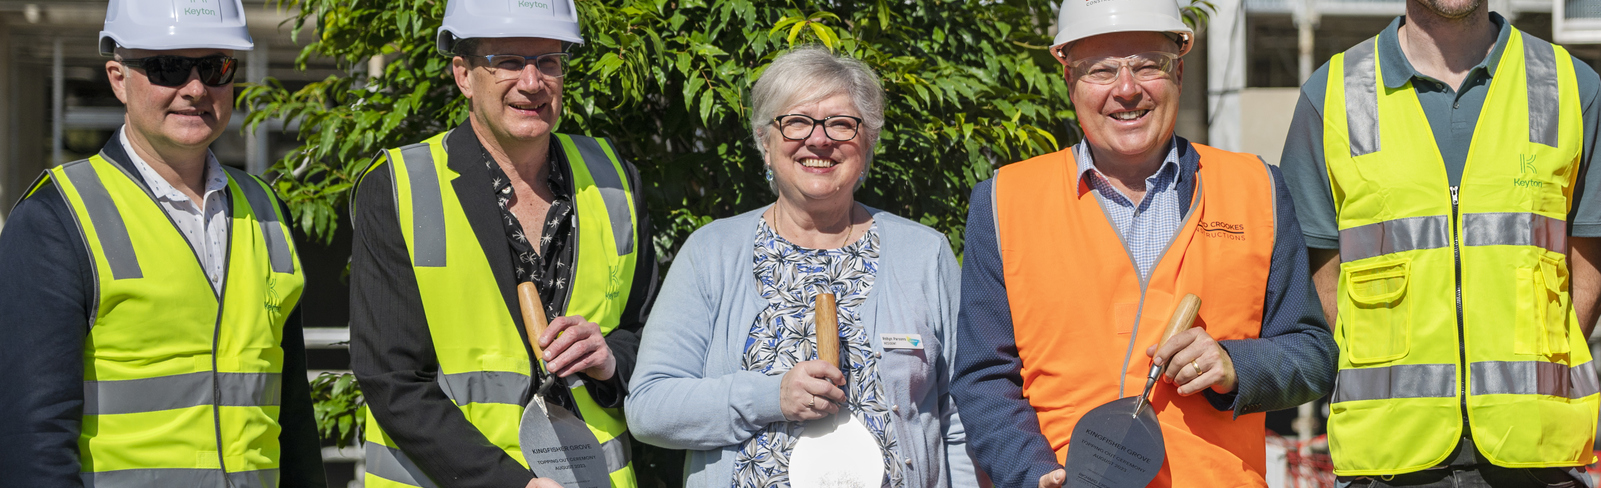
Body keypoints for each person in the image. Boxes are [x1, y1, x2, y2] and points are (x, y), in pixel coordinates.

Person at [951, 0, 1338, 486]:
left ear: (1179, 70)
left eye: (1147, 65)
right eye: (1101, 70)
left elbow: (1312, 354)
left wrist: (1236, 365)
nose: (1126, 89)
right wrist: (1033, 472)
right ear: (1069, 79)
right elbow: (985, 378)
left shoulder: (1257, 189)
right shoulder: (1005, 201)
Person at [1276, 0, 1601, 484]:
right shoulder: (1332, 95)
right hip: (1389, 457)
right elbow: (1319, 284)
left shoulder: (1570, 86)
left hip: (1536, 453)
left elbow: (1587, 275)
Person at [0, 0, 325, 486]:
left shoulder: (266, 211)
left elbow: (293, 419)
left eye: (215, 67)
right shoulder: (56, 218)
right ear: (118, 78)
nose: (195, 89)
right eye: (168, 67)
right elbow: (32, 441)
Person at [626, 46, 977, 488]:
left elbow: (962, 415)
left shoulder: (924, 254)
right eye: (796, 122)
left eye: (841, 123)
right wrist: (769, 397)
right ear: (765, 143)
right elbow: (649, 407)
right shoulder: (711, 253)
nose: (819, 140)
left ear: (867, 142)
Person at [348, 1, 662, 486]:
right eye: (509, 62)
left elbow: (652, 337)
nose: (532, 83)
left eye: (549, 62)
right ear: (464, 74)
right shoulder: (400, 187)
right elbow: (392, 381)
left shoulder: (613, 180)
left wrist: (610, 361)